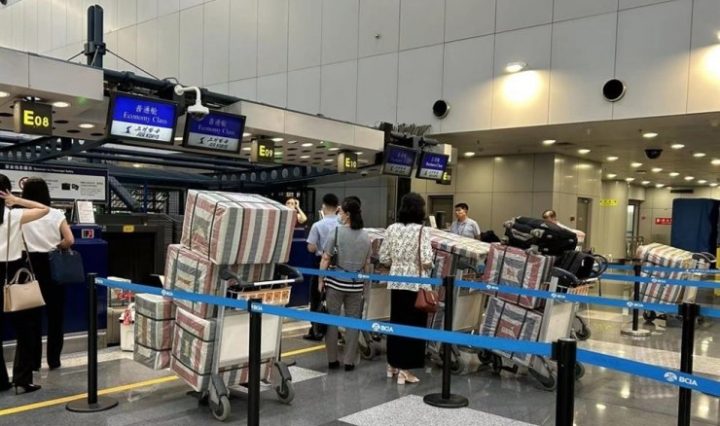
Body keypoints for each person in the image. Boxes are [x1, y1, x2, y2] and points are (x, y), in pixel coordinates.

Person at [0, 174, 49, 394]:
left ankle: (1, 381)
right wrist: (16, 200)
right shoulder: (14, 215)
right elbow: (44, 209)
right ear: (6, 192)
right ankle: (22, 378)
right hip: (14, 274)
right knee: (26, 328)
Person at [378, 192, 433, 385]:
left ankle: (392, 365)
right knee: (414, 327)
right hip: (416, 285)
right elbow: (426, 260)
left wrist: (397, 262)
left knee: (396, 323)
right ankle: (405, 371)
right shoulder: (422, 231)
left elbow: (383, 257)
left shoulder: (391, 229)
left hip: (396, 283)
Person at [21, 178, 74, 371]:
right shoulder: (56, 214)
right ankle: (54, 360)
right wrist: (56, 246)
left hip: (29, 267)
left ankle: (34, 362)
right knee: (55, 316)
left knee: (32, 318)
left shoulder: (21, 214)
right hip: (53, 265)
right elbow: (70, 240)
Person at [320, 198, 370, 371]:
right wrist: (364, 285)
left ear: (347, 214)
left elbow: (326, 258)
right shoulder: (366, 236)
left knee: (332, 321)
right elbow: (367, 263)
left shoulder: (335, 232)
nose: (338, 214)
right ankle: (349, 361)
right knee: (353, 323)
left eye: (340, 212)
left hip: (335, 284)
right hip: (356, 285)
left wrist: (320, 280)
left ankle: (332, 360)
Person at [304, 193, 340, 341]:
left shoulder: (318, 225)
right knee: (334, 297)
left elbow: (311, 248)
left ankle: (316, 330)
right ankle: (336, 331)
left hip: (320, 262)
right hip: (339, 264)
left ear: (324, 206)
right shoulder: (343, 225)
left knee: (317, 297)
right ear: (337, 207)